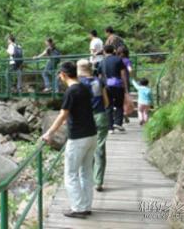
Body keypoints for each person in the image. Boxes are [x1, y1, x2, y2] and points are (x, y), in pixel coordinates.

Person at [42, 62, 97, 219]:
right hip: (92, 134)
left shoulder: (71, 92)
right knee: (86, 171)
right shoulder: (85, 88)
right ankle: (85, 206)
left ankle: (78, 208)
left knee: (71, 173)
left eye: (60, 75)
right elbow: (82, 109)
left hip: (78, 137)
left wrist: (49, 133)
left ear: (63, 75)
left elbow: (62, 114)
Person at [77, 59, 109, 192]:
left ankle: (86, 178)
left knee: (85, 148)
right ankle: (99, 182)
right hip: (100, 116)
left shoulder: (79, 84)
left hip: (85, 119)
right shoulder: (99, 81)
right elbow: (106, 102)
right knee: (99, 149)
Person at [100, 45, 129, 134]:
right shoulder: (118, 59)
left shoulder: (102, 62)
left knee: (108, 106)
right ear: (113, 50)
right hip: (118, 85)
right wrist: (126, 87)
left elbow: (100, 76)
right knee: (119, 104)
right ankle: (117, 123)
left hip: (106, 86)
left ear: (104, 51)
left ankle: (110, 128)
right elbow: (123, 74)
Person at [117, 46, 133, 123]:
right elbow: (130, 70)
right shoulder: (127, 60)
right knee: (125, 98)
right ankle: (125, 113)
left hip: (117, 81)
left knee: (119, 98)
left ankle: (121, 114)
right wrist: (133, 75)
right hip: (125, 81)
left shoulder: (116, 60)